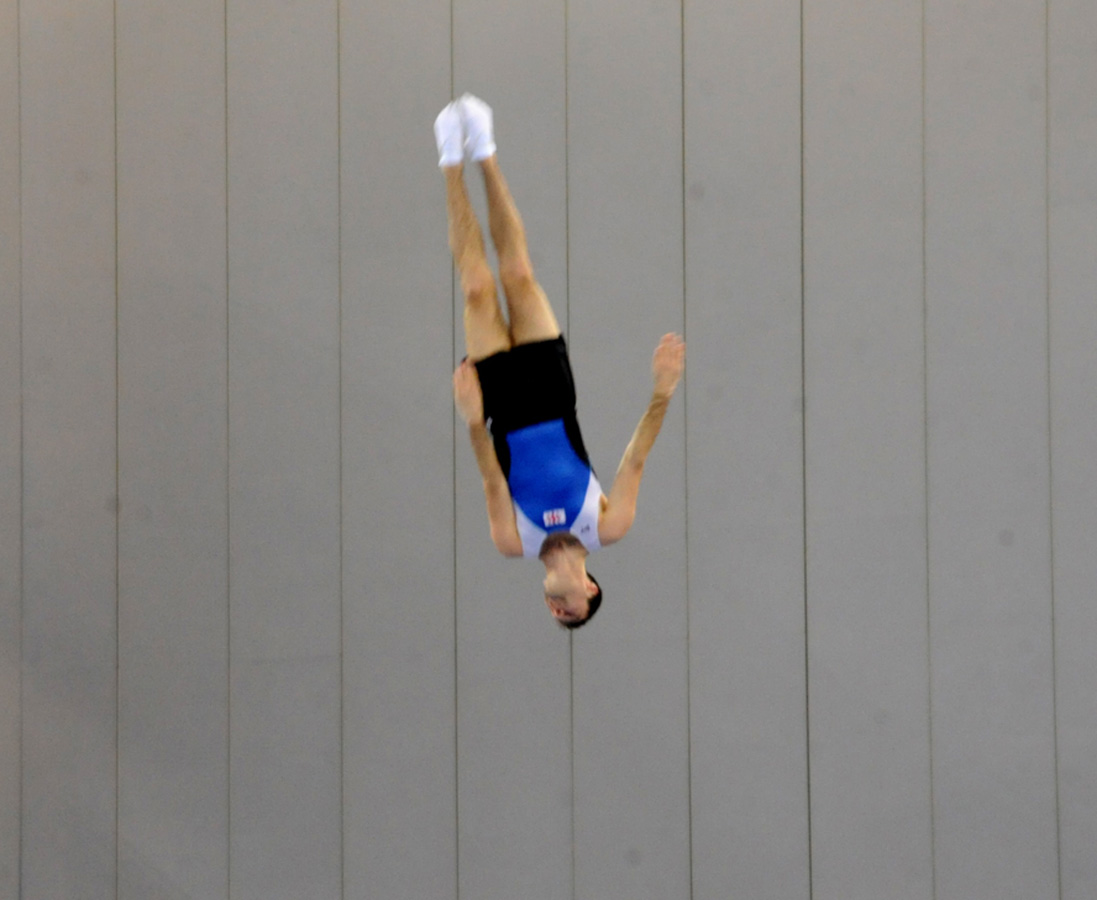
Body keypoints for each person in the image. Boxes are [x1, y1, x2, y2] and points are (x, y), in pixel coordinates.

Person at [437, 94, 684, 629]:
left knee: (477, 287)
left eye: (554, 614)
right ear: (590, 588)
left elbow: (491, 480)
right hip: (552, 394)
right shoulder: (607, 527)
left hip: (499, 405)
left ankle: (450, 161)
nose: (556, 609)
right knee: (518, 274)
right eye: (570, 610)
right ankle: (485, 151)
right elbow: (636, 459)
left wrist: (473, 418)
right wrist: (661, 393)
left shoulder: (511, 541)